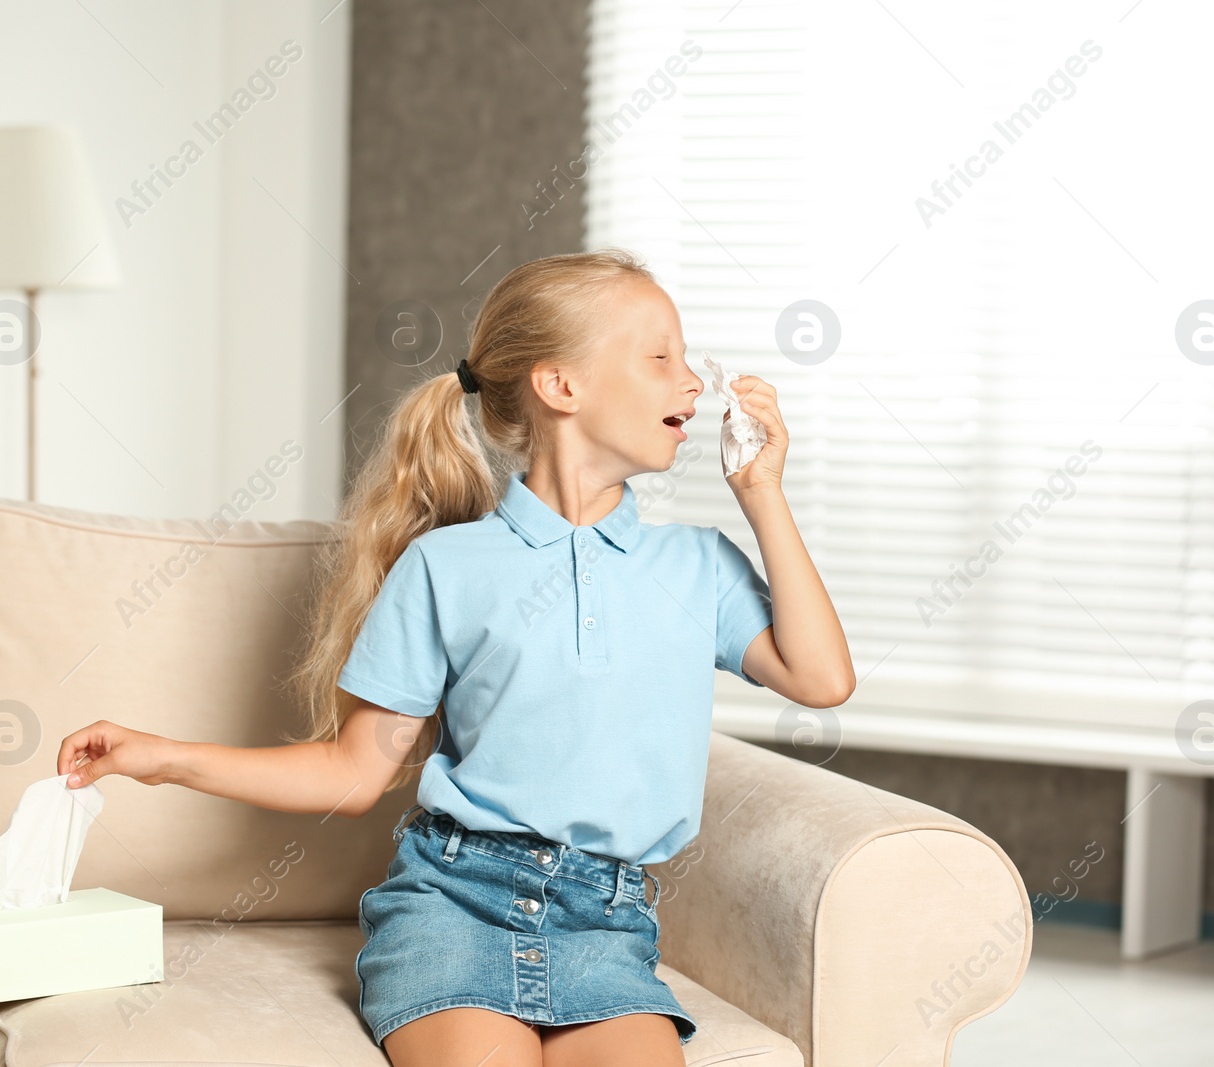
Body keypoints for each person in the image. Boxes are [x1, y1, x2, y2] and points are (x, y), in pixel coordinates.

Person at [56, 248, 855, 1067]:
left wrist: (762, 493)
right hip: (453, 907)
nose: (692, 382)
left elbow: (822, 678)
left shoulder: (699, 566)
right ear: (560, 386)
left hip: (606, 922)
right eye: (660, 358)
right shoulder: (446, 566)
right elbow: (352, 770)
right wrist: (163, 759)